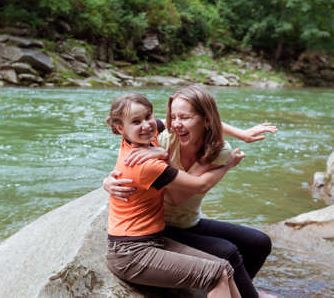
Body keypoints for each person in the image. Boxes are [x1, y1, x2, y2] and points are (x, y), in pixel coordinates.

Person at [104, 86, 277, 298]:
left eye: (184, 117)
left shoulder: (210, 146)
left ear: (206, 120)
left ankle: (241, 289)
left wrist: (242, 135)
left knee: (258, 242)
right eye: (173, 117)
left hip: (181, 223)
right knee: (226, 254)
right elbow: (185, 192)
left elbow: (210, 124)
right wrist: (228, 165)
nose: (175, 124)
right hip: (151, 234)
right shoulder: (159, 141)